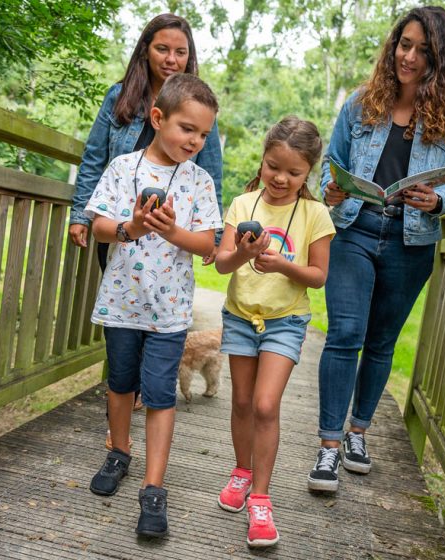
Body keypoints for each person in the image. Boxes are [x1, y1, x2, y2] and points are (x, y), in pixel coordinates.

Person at [307, 6, 445, 493]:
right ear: (393, 46)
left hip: (411, 239)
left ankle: (359, 431)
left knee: (381, 342)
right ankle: (328, 447)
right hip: (355, 229)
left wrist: (438, 197)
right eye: (404, 44)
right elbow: (332, 164)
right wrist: (333, 188)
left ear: (440, 58)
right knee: (345, 332)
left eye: (423, 50)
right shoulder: (362, 102)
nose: (409, 56)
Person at [68, 13, 224, 448]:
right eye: (162, 49)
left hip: (173, 229)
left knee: (155, 317)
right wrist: (83, 213)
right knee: (123, 312)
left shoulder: (197, 107)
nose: (171, 58)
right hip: (122, 220)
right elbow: (95, 156)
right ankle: (122, 402)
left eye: (180, 51)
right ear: (145, 50)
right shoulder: (121, 97)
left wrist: (213, 234)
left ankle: (139, 394)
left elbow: (210, 172)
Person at [83, 73, 222, 538]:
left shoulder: (200, 181)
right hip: (123, 302)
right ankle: (119, 451)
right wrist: (133, 228)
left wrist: (169, 230)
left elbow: (207, 241)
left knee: (160, 392)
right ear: (158, 118)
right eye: (187, 129)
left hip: (170, 311)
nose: (196, 141)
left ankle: (153, 486)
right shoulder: (123, 168)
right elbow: (101, 224)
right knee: (121, 381)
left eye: (203, 134)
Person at [214, 117, 336, 547]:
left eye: (294, 172)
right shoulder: (242, 205)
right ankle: (241, 471)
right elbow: (222, 262)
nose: (281, 178)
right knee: (243, 402)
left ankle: (261, 499)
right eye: (273, 167)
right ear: (262, 161)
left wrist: (282, 264)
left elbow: (318, 276)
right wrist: (243, 253)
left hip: (286, 320)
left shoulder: (315, 214)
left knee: (266, 405)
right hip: (241, 315)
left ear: (309, 174)